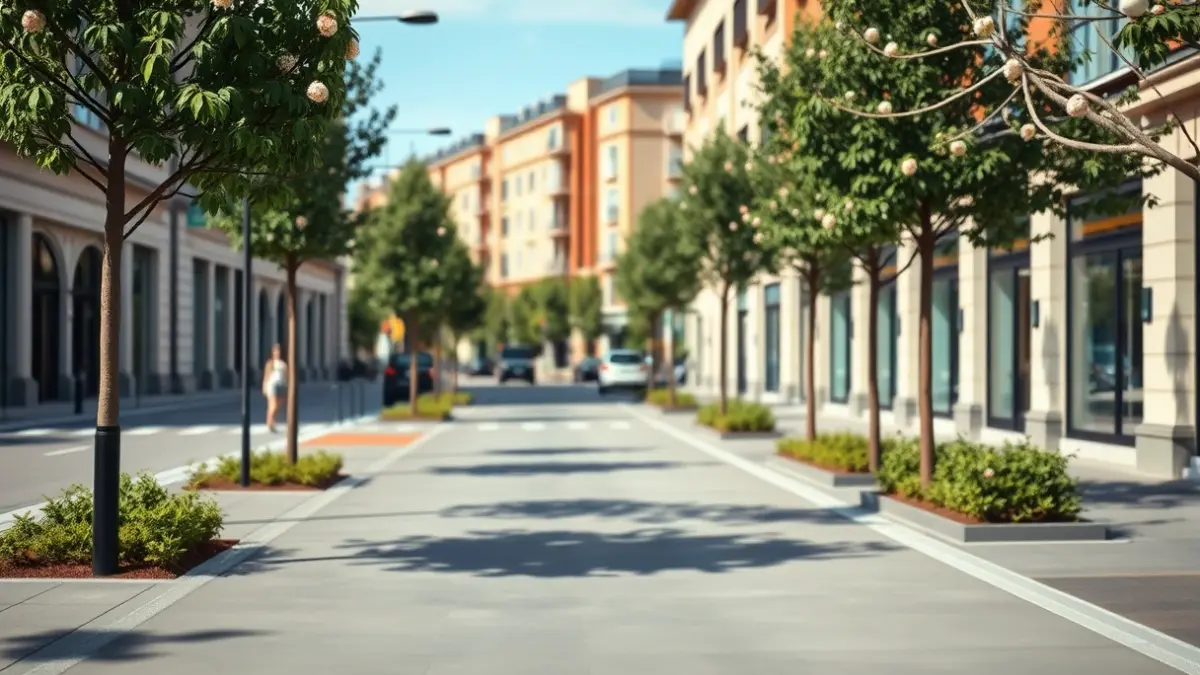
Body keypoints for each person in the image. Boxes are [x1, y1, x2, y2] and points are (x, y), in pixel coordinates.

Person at [262, 344, 287, 432]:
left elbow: (286, 375)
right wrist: (264, 386)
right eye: (275, 351)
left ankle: (271, 420)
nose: (277, 353)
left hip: (282, 384)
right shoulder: (270, 363)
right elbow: (266, 375)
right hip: (272, 385)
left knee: (278, 404)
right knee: (273, 404)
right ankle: (270, 422)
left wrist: (287, 385)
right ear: (272, 352)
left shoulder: (283, 363)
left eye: (278, 351)